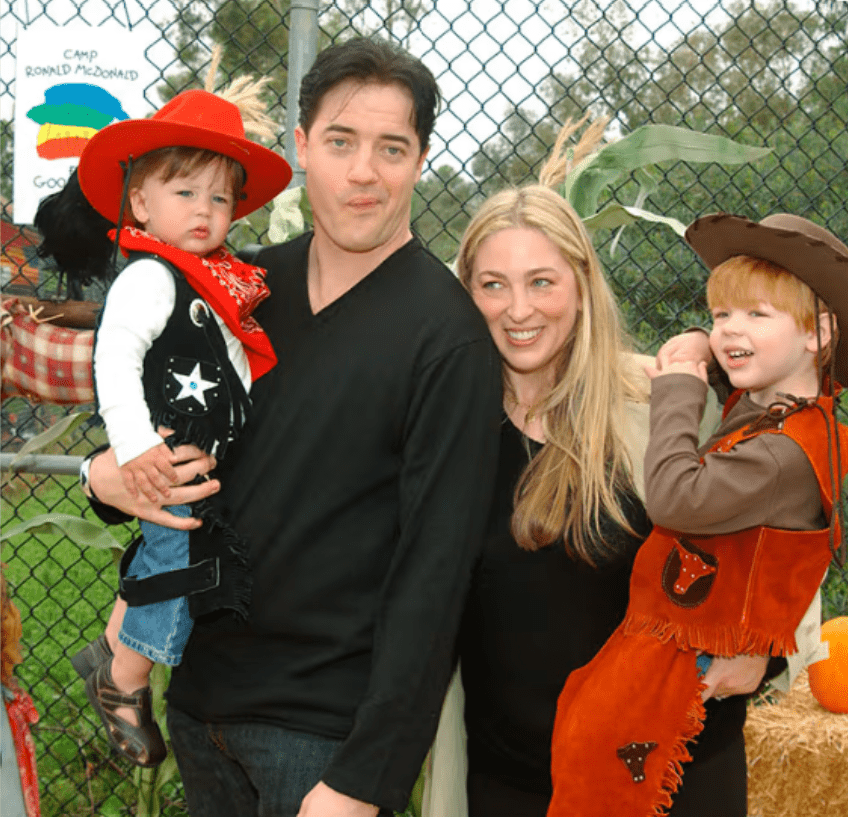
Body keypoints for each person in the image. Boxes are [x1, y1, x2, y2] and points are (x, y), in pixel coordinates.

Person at [82, 36, 502, 816]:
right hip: (202, 700)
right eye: (340, 142)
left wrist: (365, 778)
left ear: (420, 160)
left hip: (323, 735)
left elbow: (435, 577)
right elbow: (154, 425)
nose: (363, 172)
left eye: (391, 147)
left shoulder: (447, 337)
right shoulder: (239, 286)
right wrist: (98, 478)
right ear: (303, 146)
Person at [444, 121, 795, 817]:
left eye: (541, 281)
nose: (519, 309)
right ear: (464, 293)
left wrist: (763, 655)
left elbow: (775, 532)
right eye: (493, 284)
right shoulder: (449, 432)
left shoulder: (662, 409)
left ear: (579, 283)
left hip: (669, 779)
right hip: (517, 783)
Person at [548, 212, 847, 817]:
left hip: (694, 645)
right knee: (581, 720)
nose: (730, 330)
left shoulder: (786, 452)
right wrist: (700, 345)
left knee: (599, 756)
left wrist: (680, 387)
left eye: (756, 314)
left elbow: (675, 497)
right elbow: (740, 372)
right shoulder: (779, 407)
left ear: (817, 334)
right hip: (683, 628)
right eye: (721, 314)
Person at [36, 73, 293, 767]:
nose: (205, 210)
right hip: (165, 453)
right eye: (185, 193)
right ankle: (124, 679)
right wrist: (133, 444)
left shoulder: (215, 277)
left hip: (202, 455)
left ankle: (112, 649)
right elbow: (114, 360)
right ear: (140, 203)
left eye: (219, 196)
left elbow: (232, 359)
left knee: (172, 551)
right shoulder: (151, 278)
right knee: (175, 560)